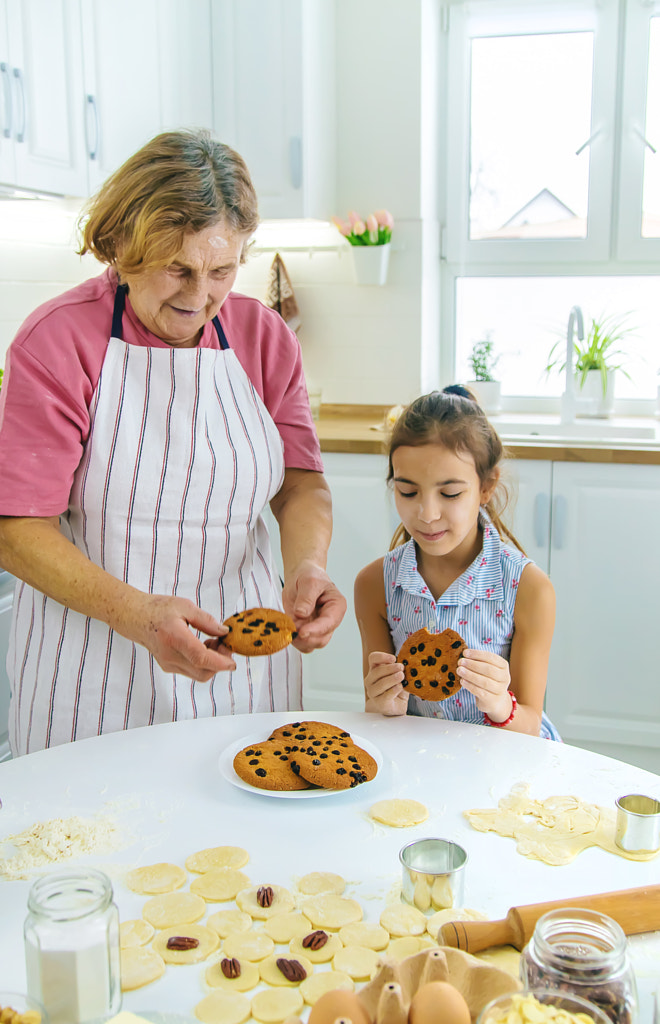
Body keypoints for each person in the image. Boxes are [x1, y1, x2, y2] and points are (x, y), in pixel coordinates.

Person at [0, 129, 346, 756]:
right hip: (91, 672)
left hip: (244, 675)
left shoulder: (263, 338)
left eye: (221, 270)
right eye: (176, 268)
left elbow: (301, 486)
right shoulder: (57, 341)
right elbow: (16, 528)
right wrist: (137, 614)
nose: (198, 297)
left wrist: (308, 566)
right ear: (122, 249)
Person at [354, 387, 560, 739]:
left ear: (486, 486)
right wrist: (381, 703)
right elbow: (378, 713)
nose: (427, 514)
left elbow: (529, 726)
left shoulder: (529, 589)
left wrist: (500, 704)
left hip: (503, 761)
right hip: (420, 760)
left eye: (450, 493)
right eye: (407, 491)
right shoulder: (375, 585)